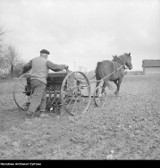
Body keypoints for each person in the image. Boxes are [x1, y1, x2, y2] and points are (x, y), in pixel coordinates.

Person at [21, 49, 68, 118]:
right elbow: (55, 67)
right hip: (40, 81)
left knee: (43, 95)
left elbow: (26, 67)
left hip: (33, 81)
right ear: (45, 55)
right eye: (47, 56)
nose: (47, 57)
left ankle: (42, 112)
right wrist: (64, 66)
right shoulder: (46, 61)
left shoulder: (33, 60)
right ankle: (29, 113)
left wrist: (22, 72)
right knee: (37, 97)